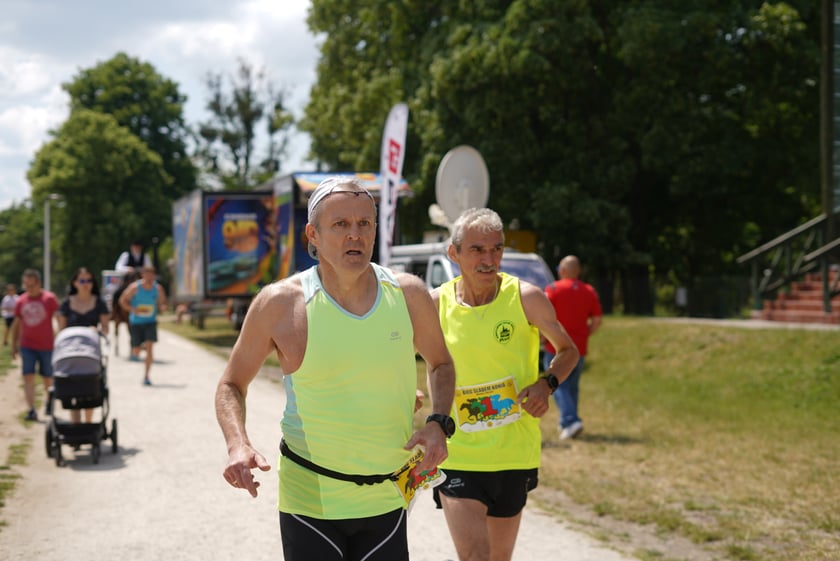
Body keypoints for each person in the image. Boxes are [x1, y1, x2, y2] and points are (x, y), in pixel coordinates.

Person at [215, 177, 456, 561]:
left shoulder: (408, 294)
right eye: (341, 224)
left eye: (364, 224)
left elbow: (441, 363)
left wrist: (439, 422)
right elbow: (231, 384)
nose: (354, 235)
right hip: (311, 501)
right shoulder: (280, 304)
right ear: (313, 234)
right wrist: (237, 443)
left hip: (387, 497)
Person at [429, 208, 580, 561]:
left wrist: (547, 383)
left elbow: (568, 350)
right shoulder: (435, 304)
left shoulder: (525, 298)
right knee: (475, 557)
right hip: (458, 452)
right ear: (454, 253)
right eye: (477, 250)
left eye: (496, 248)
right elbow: (403, 356)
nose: (489, 259)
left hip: (513, 452)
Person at [544, 255, 603, 440]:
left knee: (556, 384)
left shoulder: (553, 289)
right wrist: (585, 334)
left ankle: (570, 421)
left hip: (555, 347)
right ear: (579, 271)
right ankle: (569, 424)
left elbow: (543, 318)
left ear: (562, 271)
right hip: (580, 348)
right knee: (572, 387)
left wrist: (541, 337)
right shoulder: (589, 290)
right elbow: (597, 320)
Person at [57, 267, 111, 423]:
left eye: (89, 280)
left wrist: (97, 330)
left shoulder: (99, 303)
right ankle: (76, 424)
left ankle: (88, 423)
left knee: (90, 386)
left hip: (91, 350)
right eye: (82, 280)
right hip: (70, 350)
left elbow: (105, 328)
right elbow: (61, 330)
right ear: (75, 283)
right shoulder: (66, 303)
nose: (86, 284)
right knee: (71, 387)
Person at [11, 269, 60, 421]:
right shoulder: (21, 301)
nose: (29, 289)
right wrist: (13, 344)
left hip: (47, 346)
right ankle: (31, 409)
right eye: (26, 286)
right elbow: (17, 324)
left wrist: (60, 339)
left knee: (47, 378)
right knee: (28, 377)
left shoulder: (49, 299)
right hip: (27, 345)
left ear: (39, 284)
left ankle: (49, 403)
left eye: (32, 285)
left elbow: (58, 319)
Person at [118, 265, 167, 385]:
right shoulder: (134, 288)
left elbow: (163, 303)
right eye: (147, 275)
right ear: (142, 275)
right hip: (136, 322)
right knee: (135, 351)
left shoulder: (158, 289)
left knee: (150, 349)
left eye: (152, 275)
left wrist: (162, 307)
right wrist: (132, 309)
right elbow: (122, 301)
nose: (150, 278)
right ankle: (142, 347)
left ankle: (146, 376)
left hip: (150, 322)